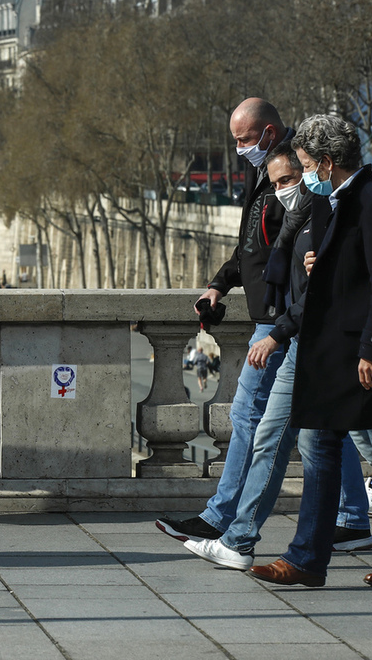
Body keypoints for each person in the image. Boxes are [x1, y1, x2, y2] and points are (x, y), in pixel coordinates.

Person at [248, 114, 372, 589]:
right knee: (370, 450)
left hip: (368, 358)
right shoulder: (342, 203)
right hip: (343, 355)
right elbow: (349, 280)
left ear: (326, 161)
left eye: (304, 164)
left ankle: (314, 559)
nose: (303, 175)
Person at [185, 141, 372, 571]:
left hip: (329, 343)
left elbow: (345, 287)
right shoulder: (301, 217)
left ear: (323, 165)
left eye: (297, 174)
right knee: (286, 436)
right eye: (278, 182)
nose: (286, 187)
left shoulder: (349, 208)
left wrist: (277, 332)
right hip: (300, 339)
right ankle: (245, 540)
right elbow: (278, 272)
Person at [156, 98, 293, 542]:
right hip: (272, 317)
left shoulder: (289, 176)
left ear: (269, 132)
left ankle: (220, 518)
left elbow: (293, 254)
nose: (239, 149)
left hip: (280, 320)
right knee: (314, 430)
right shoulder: (263, 171)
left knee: (247, 415)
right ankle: (352, 519)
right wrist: (218, 286)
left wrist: (279, 323)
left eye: (244, 139)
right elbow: (250, 248)